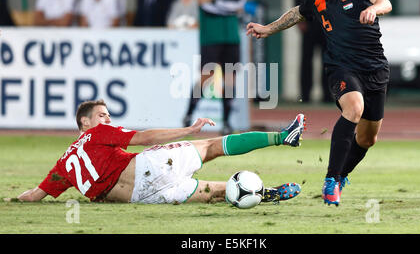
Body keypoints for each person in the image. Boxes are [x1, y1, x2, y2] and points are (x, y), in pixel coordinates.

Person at [247, 0, 392, 206]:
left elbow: (384, 1)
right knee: (354, 107)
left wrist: (374, 9)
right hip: (341, 67)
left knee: (368, 138)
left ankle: (341, 176)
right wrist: (268, 29)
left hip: (375, 68)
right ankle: (330, 180)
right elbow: (297, 13)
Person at [16, 99, 305, 204]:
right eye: (102, 116)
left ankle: (267, 193)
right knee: (211, 146)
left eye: (107, 116)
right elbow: (144, 137)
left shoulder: (63, 165)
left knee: (221, 192)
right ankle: (283, 136)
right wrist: (189, 130)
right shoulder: (96, 134)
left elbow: (33, 196)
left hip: (143, 198)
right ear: (85, 123)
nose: (108, 120)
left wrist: (12, 199)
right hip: (150, 168)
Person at [183, 0, 247, 135]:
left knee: (230, 79)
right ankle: (188, 115)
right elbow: (205, 4)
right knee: (205, 77)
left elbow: (239, 4)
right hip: (210, 36)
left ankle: (226, 121)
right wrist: (227, 5)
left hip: (231, 37)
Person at [294, 0, 332, 103]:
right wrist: (299, 20)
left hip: (328, 23)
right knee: (306, 60)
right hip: (308, 21)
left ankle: (328, 95)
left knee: (328, 60)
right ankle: (305, 95)